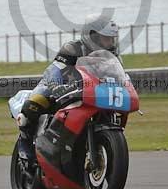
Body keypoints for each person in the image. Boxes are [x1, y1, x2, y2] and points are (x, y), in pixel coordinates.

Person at [15, 13, 119, 162]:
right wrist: (58, 87)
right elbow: (53, 70)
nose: (110, 42)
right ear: (92, 36)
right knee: (36, 100)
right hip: (61, 87)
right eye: (106, 38)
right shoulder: (72, 48)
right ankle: (25, 141)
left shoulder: (112, 56)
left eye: (112, 38)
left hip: (91, 91)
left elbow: (120, 76)